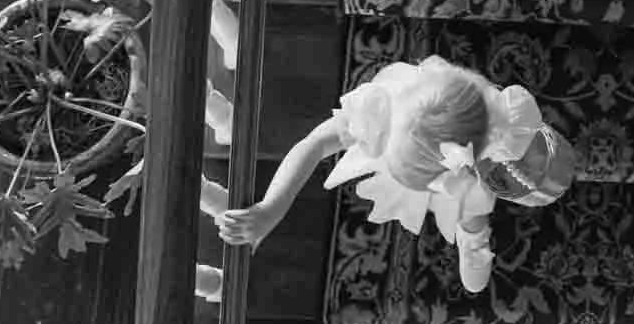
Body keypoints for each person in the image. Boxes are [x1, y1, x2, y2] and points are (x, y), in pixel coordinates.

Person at [214, 56, 577, 297]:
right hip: (444, 155)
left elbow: (502, 128)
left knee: (473, 205)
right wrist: (271, 207)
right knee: (469, 197)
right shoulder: (377, 114)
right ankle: (473, 236)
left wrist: (504, 160)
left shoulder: (488, 119)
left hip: (463, 156)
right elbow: (313, 145)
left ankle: (473, 239)